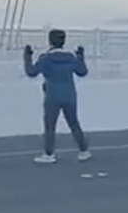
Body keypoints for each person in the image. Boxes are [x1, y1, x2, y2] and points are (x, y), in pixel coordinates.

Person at [25, 29, 90, 164]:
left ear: (50, 41)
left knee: (50, 125)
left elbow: (31, 72)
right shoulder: (70, 58)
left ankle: (49, 153)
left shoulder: (46, 59)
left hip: (53, 95)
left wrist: (27, 56)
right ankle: (84, 150)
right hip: (70, 95)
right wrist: (80, 56)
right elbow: (82, 72)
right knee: (73, 123)